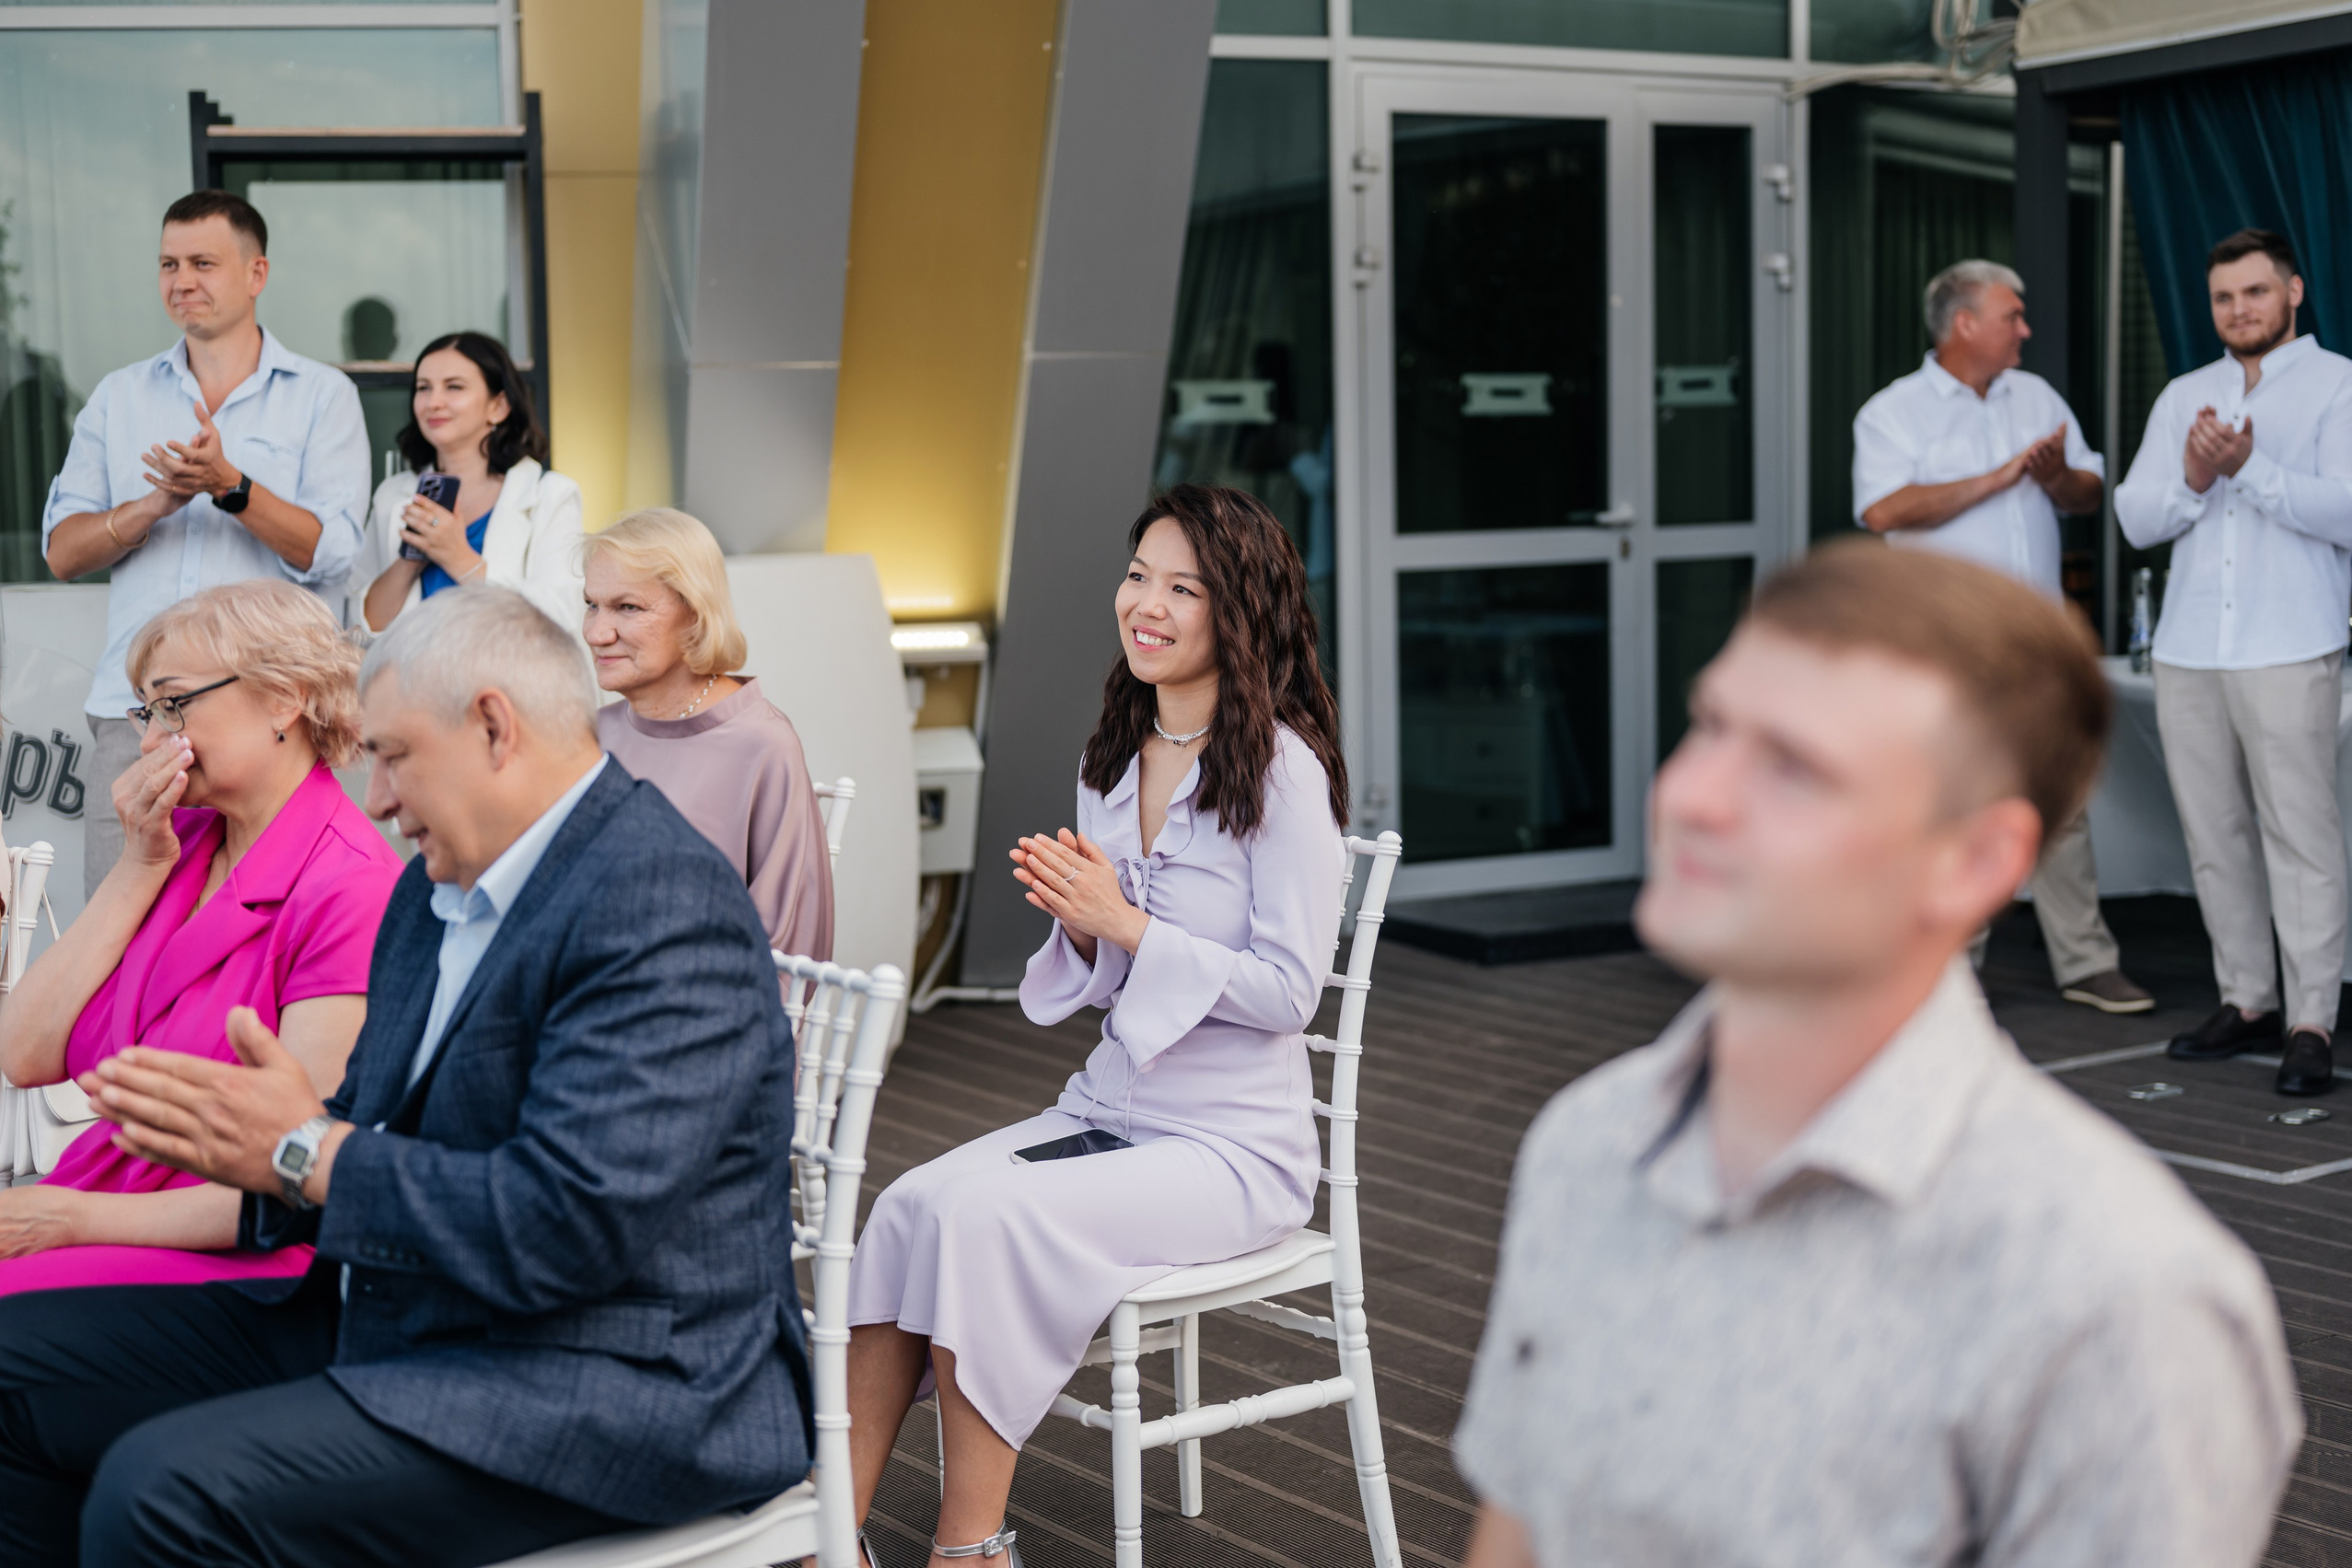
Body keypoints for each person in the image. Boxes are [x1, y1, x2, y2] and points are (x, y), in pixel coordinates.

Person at [1454, 542, 2299, 1568]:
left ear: (1978, 862)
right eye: (1712, 725)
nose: (1694, 795)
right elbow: (1523, 1525)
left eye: (1794, 768)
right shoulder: (1587, 1140)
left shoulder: (2115, 1296)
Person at [0, 587, 810, 1566]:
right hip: (403, 1312)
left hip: (609, 1380)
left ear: (493, 727)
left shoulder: (658, 899)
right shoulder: (437, 896)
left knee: (159, 1492)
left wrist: (297, 1148)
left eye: (392, 755)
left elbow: (567, 1223)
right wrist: (261, 1146)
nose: (375, 796)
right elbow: (350, 1127)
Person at [843, 483, 1348, 1561]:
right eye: (1137, 577)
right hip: (1112, 1107)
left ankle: (966, 1547)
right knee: (905, 1206)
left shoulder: (1286, 774)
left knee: (983, 1226)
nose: (1147, 605)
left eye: (1183, 587)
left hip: (1232, 1146)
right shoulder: (1110, 757)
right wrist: (1083, 927)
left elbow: (1290, 993)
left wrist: (1126, 919)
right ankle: (823, 1538)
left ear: (1240, 611)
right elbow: (1110, 984)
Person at [0, 580, 402, 1295]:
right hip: (95, 1205)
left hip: (232, 1261)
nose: (151, 740)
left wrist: (70, 1219)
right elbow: (23, 1052)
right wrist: (136, 865)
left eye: (174, 705)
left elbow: (295, 1179)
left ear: (285, 697)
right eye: (148, 711)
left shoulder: (349, 887)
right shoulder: (173, 846)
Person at [39, 190, 369, 900]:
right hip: (142, 722)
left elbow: (335, 550)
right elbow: (62, 552)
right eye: (167, 263)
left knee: (266, 936)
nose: (181, 279)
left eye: (202, 262)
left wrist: (231, 486)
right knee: (116, 940)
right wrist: (155, 504)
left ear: (257, 273)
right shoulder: (118, 397)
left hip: (274, 717)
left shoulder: (322, 396)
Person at [1853, 258, 2150, 1016]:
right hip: (1948, 647)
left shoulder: (2038, 396)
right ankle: (1946, 971)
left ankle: (2085, 962)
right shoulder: (1894, 411)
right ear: (1964, 324)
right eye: (2012, 316)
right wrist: (1999, 475)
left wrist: (2050, 477)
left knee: (2063, 797)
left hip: (2038, 639)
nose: (2025, 329)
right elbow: (1884, 511)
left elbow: (2087, 493)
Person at [2117, 227, 2352, 1097]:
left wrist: (2248, 470)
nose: (2238, 310)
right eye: (2223, 297)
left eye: (2255, 292)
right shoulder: (2186, 393)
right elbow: (2139, 518)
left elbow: (2350, 512)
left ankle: (2311, 1021)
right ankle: (2247, 998)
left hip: (2288, 642)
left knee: (2302, 836)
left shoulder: (2341, 387)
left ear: (2294, 291)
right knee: (2213, 832)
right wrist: (2190, 475)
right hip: (2189, 648)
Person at [586, 508, 833, 960]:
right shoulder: (592, 735)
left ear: (695, 613)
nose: (597, 633)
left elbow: (787, 953)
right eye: (592, 604)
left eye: (628, 607)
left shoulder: (762, 745)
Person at [355, 330, 583, 634]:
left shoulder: (551, 495)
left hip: (505, 681)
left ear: (498, 407)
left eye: (454, 387)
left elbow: (564, 622)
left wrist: (458, 557)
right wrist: (411, 559)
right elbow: (360, 629)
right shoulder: (392, 495)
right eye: (424, 388)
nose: (433, 402)